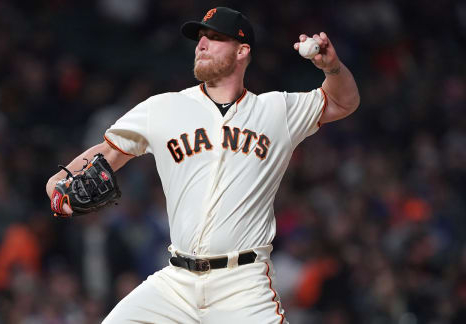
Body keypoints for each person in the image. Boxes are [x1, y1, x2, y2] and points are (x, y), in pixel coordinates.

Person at [46, 6, 359, 324]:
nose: (202, 44)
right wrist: (56, 183)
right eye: (200, 38)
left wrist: (332, 69)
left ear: (242, 51)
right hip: (176, 283)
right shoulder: (164, 107)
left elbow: (342, 101)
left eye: (214, 37)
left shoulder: (277, 110)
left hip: (243, 286)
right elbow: (107, 153)